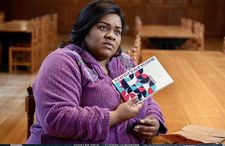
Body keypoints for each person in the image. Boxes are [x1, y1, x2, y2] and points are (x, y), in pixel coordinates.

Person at [26, 0, 167, 144]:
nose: (111, 36)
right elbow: (57, 119)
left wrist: (153, 119)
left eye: (117, 32)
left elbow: (147, 101)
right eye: (103, 28)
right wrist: (116, 116)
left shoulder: (124, 61)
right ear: (85, 28)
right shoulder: (62, 61)